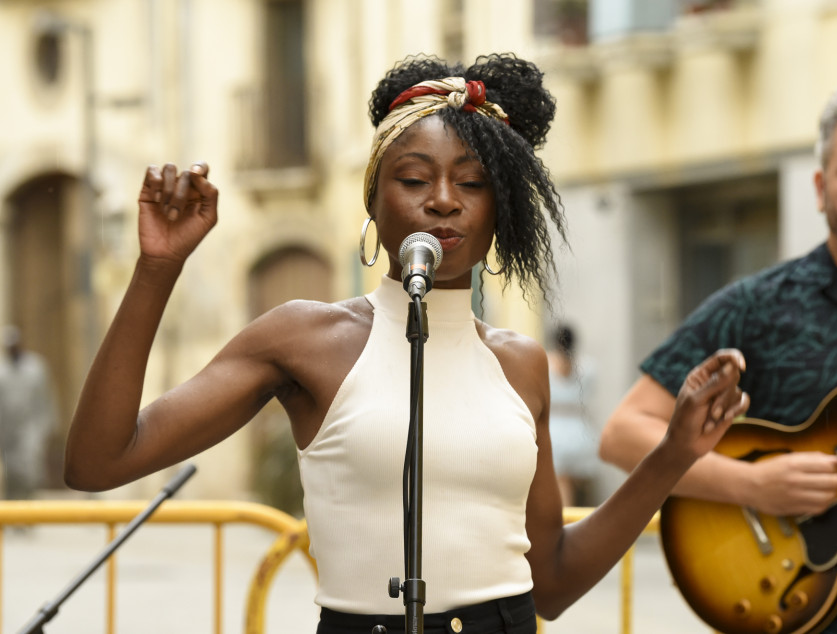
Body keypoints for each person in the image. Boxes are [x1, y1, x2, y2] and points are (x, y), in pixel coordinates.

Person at [63, 53, 748, 633]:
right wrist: (158, 269)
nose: (444, 200)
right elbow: (97, 462)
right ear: (374, 200)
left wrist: (672, 455)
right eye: (415, 179)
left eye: (472, 183)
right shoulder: (305, 339)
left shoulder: (521, 364)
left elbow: (554, 582)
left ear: (499, 212)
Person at [599, 78, 837, 633]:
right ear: (820, 188)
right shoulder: (755, 306)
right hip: (796, 608)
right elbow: (623, 433)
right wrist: (750, 485)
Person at [0, 325, 58, 500]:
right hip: (8, 430)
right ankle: (14, 508)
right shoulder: (2, 370)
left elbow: (46, 398)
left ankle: (29, 505)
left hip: (31, 427)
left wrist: (47, 427)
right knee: (12, 473)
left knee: (31, 470)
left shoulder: (35, 367)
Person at [545, 324, 598, 506]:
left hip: (555, 429)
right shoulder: (588, 367)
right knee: (576, 486)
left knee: (563, 484)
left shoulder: (545, 363)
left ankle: (566, 517)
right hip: (580, 430)